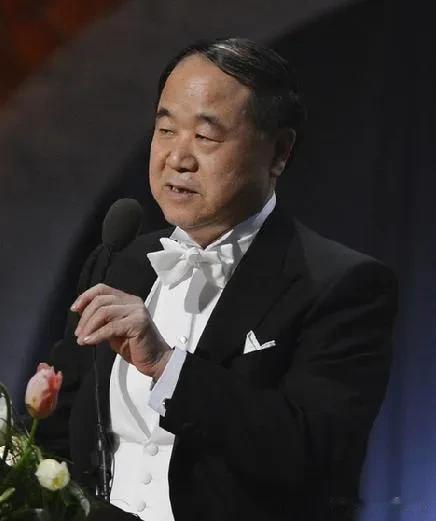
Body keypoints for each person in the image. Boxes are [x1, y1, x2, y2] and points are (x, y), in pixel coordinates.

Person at [38, 38, 398, 521]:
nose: (177, 158)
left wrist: (166, 365)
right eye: (166, 130)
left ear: (279, 153)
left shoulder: (342, 286)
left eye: (206, 137)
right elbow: (57, 428)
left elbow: (313, 454)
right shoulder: (121, 262)